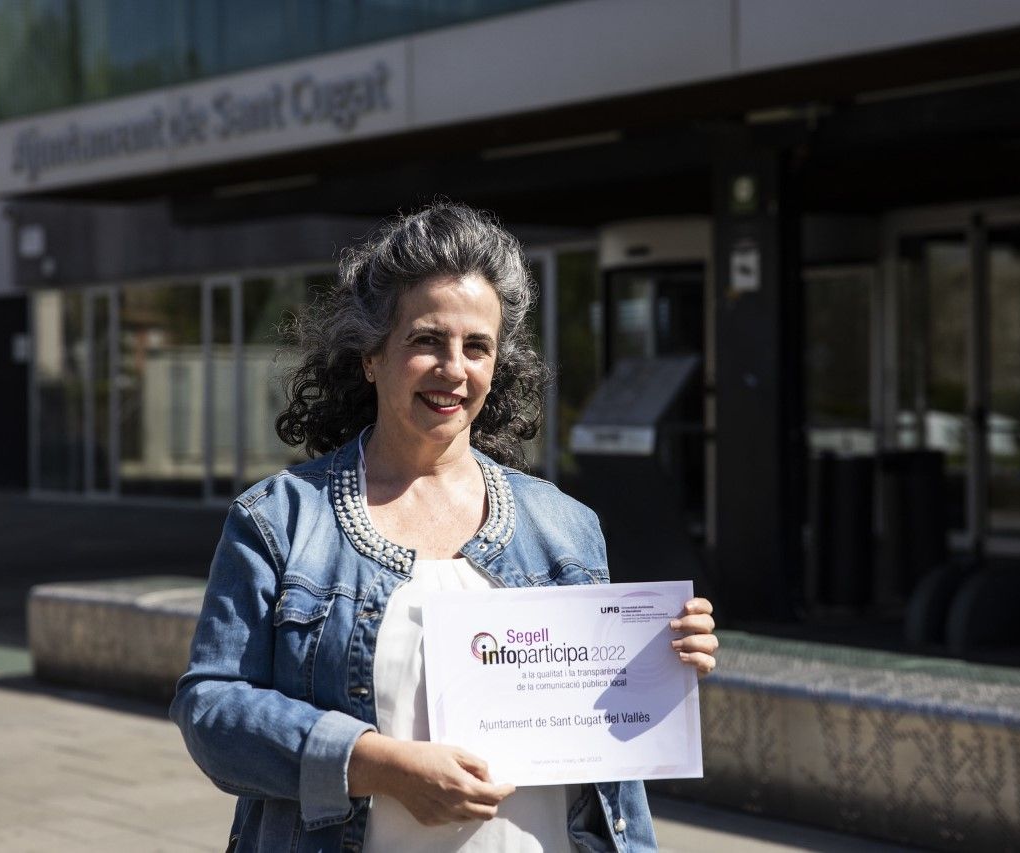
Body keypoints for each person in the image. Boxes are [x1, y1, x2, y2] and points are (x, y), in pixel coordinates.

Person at [170, 202, 719, 852]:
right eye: (427, 339)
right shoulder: (280, 519)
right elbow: (211, 709)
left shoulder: (565, 525)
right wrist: (376, 763)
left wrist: (661, 661)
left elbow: (609, 770)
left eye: (476, 346)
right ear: (371, 355)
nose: (454, 368)